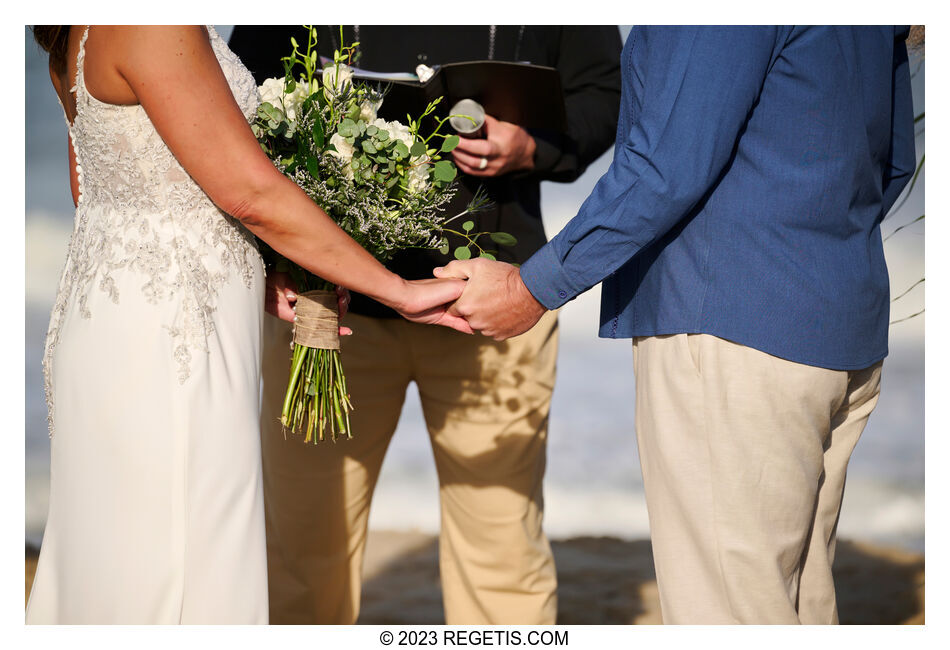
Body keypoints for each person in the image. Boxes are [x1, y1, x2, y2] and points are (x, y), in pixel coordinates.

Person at [436, 26, 916, 624]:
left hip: (731, 332)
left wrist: (530, 287)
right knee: (798, 602)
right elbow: (892, 164)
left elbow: (663, 166)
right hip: (839, 321)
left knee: (728, 615)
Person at [26, 25, 467, 624]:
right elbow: (250, 191)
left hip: (106, 315)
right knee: (181, 566)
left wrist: (248, 274)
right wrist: (398, 291)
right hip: (173, 334)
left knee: (117, 560)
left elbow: (102, 186)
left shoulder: (74, 30)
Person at [227, 26, 622, 624]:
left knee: (502, 551)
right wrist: (266, 257)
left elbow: (606, 93)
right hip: (325, 303)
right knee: (302, 547)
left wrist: (533, 148)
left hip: (493, 301)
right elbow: (243, 97)